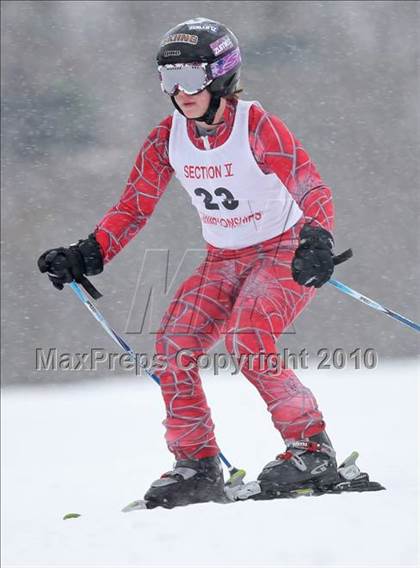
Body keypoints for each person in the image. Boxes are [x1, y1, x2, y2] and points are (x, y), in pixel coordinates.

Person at [38, 18, 341, 509]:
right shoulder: (167, 138)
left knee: (249, 337)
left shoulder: (256, 125)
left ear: (221, 75)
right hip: (224, 258)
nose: (181, 92)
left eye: (192, 78)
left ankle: (311, 449)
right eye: (169, 80)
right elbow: (133, 207)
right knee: (174, 345)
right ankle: (196, 464)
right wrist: (87, 253)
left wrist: (317, 237)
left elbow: (312, 187)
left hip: (283, 251)